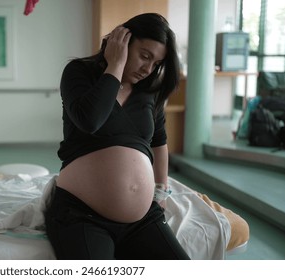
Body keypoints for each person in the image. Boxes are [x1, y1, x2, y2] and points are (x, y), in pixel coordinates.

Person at [44, 13, 190, 260]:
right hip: (82, 214)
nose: (148, 69)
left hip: (142, 219)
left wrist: (160, 193)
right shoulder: (79, 72)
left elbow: (159, 142)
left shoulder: (149, 92)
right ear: (122, 41)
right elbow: (90, 120)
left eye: (156, 64)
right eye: (144, 56)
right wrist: (115, 66)